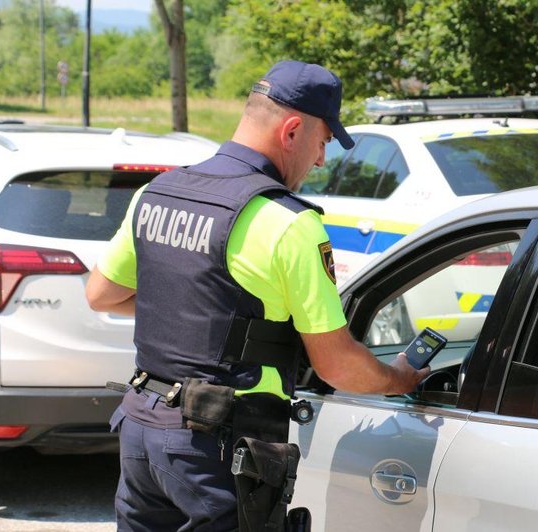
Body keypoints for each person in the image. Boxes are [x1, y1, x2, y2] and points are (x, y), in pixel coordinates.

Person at [85, 59, 429, 531]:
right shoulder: (289, 223)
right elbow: (336, 364)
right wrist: (400, 378)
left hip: (142, 429)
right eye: (323, 142)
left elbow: (102, 294)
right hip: (218, 448)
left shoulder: (158, 191)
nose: (321, 160)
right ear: (292, 130)